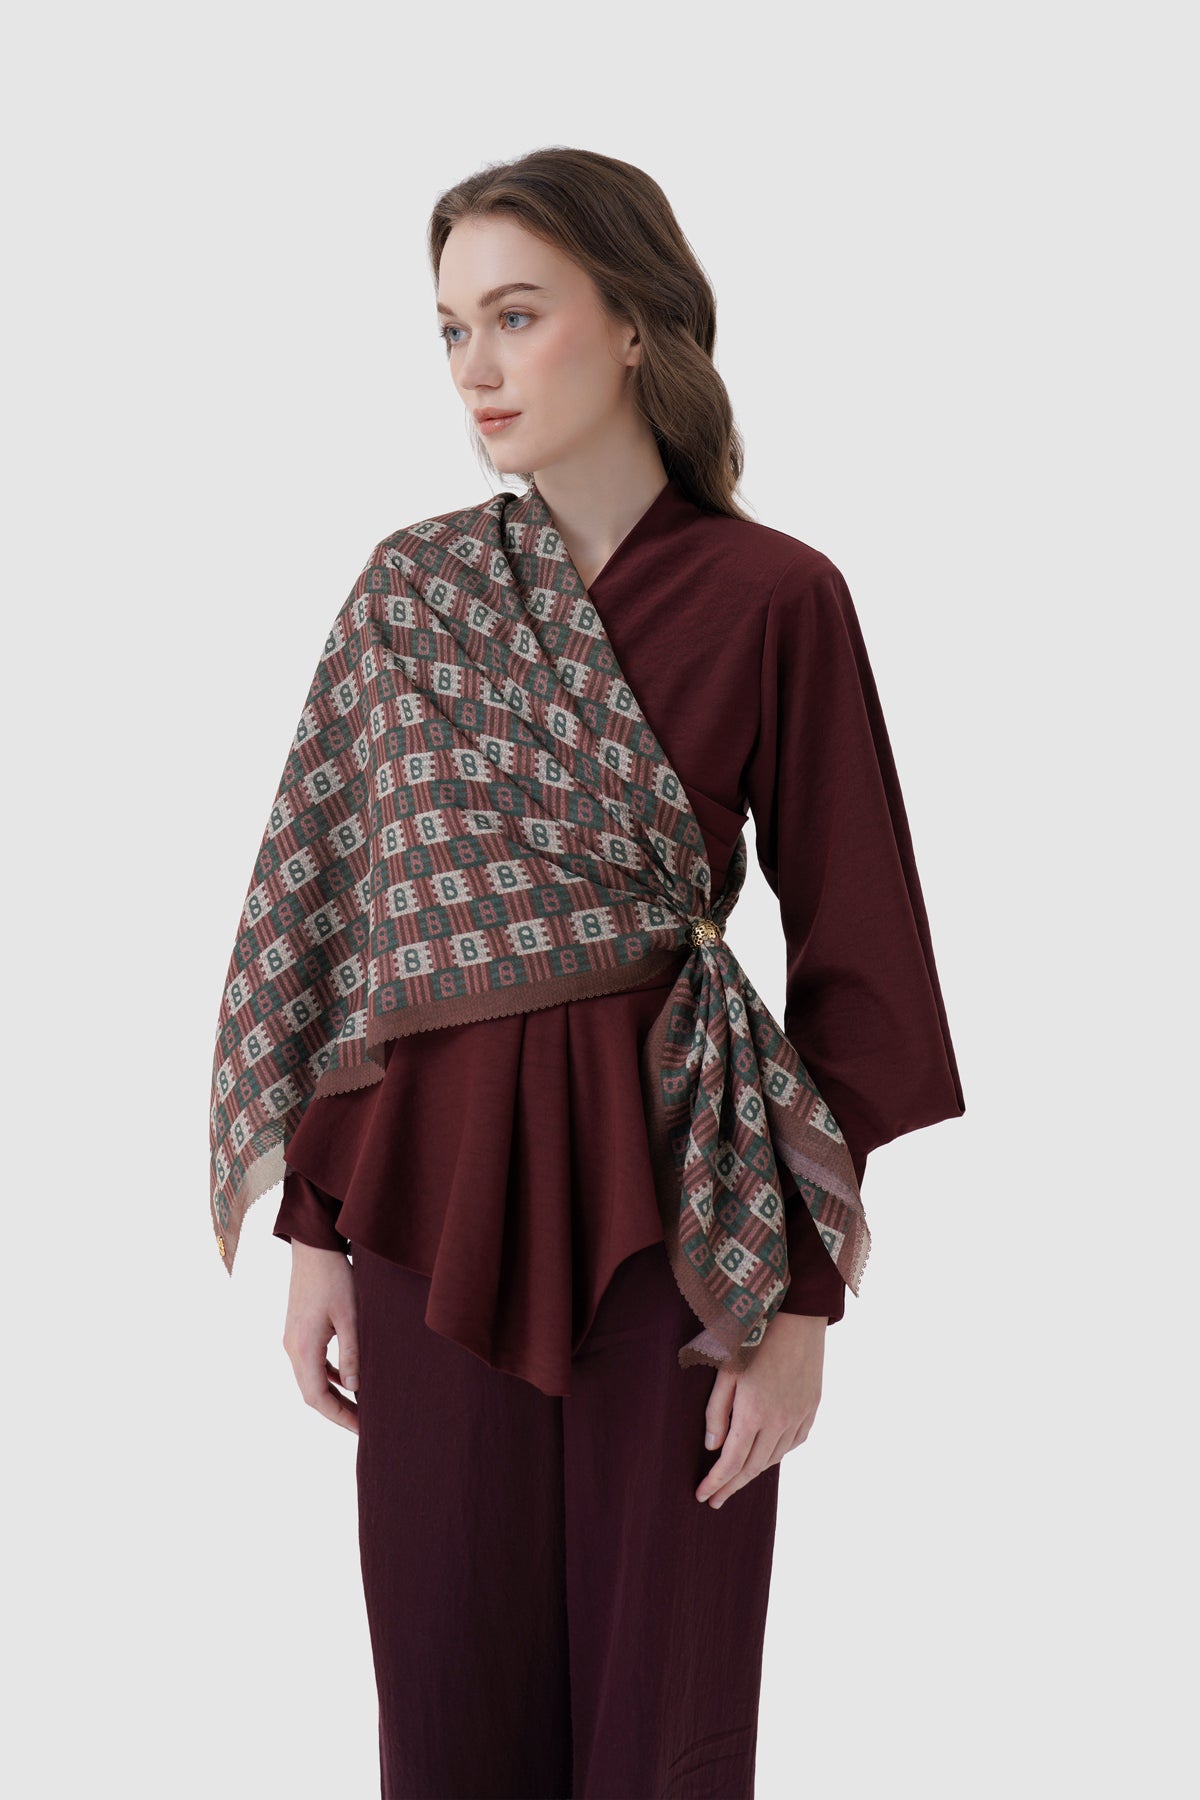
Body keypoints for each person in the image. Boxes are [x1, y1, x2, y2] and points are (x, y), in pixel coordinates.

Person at [210, 147, 965, 1799]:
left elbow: (861, 955)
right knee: (449, 1708)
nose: (473, 366)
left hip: (685, 1219)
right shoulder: (408, 598)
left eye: (516, 315)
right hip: (433, 1218)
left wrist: (803, 1301)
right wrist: (319, 1234)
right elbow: (344, 934)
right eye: (449, 327)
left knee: (666, 1722)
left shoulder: (778, 596)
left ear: (633, 323)